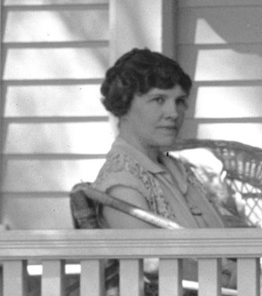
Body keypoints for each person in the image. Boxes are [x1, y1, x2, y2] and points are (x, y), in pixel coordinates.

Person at [93, 48, 238, 229]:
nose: (173, 113)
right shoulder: (123, 185)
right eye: (158, 99)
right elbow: (150, 257)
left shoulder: (177, 169)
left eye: (179, 101)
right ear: (124, 105)